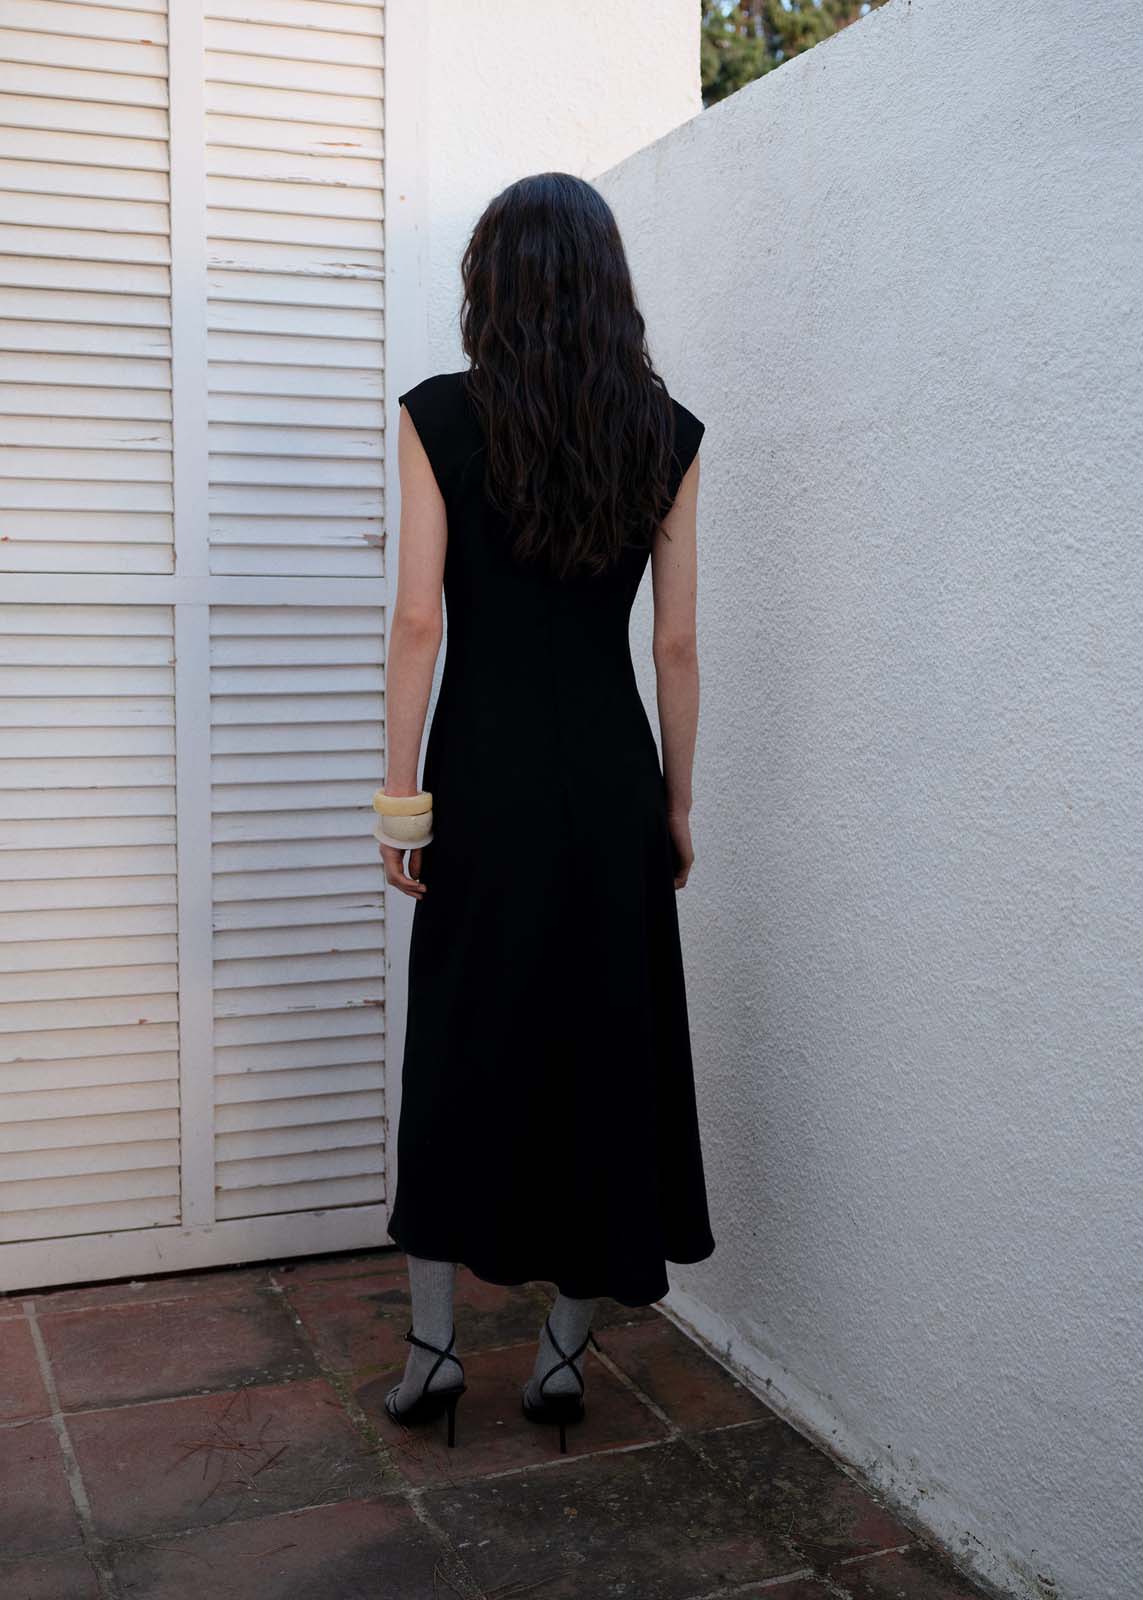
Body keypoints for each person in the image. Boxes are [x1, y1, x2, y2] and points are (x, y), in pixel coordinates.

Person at [377, 171, 715, 1454]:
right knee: (603, 1054)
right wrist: (676, 803)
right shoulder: (664, 431)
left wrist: (402, 803)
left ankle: (432, 1355)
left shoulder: (438, 416)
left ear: (491, 282)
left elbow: (419, 620)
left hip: (484, 784)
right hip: (614, 782)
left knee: (459, 1048)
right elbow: (673, 646)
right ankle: (562, 1362)